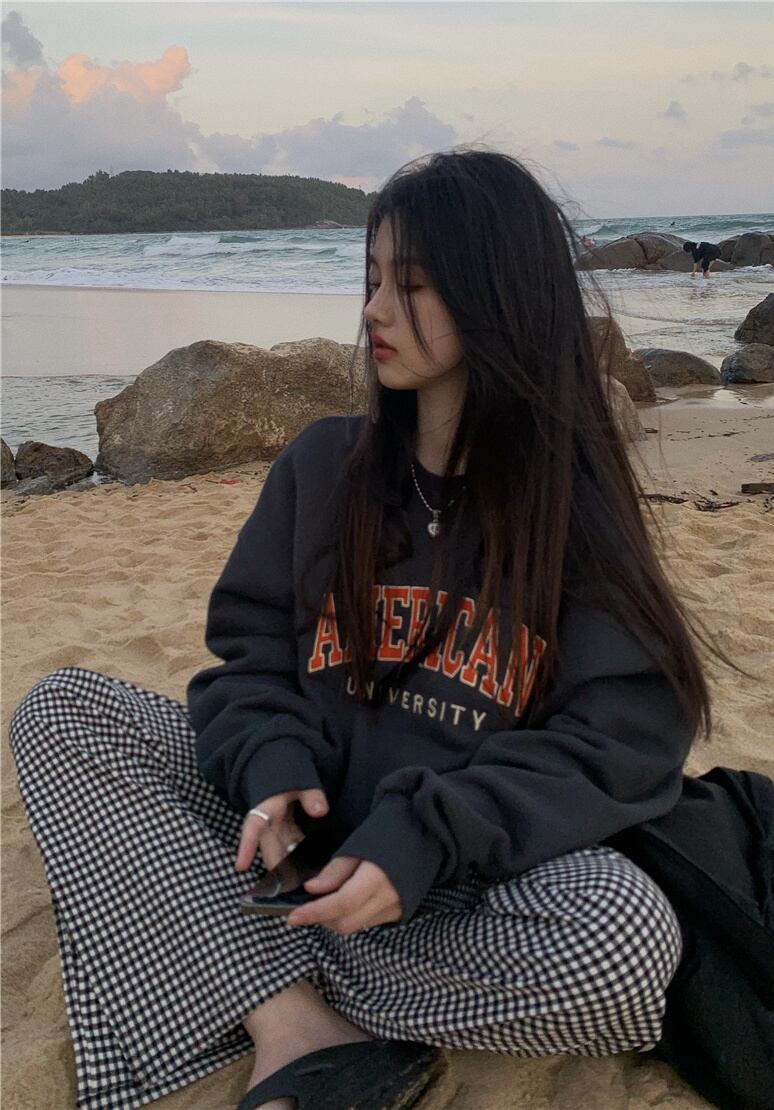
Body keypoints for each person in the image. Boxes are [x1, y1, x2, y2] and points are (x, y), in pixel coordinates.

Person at [11, 149, 719, 1110]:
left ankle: (222, 961)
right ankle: (293, 1020)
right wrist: (270, 765)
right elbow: (250, 657)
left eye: (412, 285)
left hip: (454, 875)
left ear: (498, 297)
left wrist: (427, 834)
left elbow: (620, 740)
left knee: (620, 939)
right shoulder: (322, 466)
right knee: (63, 712)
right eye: (373, 278)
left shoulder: (572, 511)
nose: (375, 310)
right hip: (289, 843)